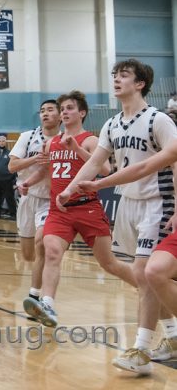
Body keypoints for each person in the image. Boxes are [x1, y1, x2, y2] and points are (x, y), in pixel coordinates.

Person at [57, 60, 177, 374]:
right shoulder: (111, 125)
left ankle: (141, 349)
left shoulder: (158, 120)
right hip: (128, 204)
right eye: (114, 75)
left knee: (144, 271)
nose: (116, 80)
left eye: (123, 75)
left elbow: (174, 161)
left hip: (158, 202)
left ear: (140, 84)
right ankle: (174, 337)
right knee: (143, 276)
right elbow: (96, 161)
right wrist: (70, 190)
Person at [22, 91, 135, 330]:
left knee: (109, 264)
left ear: (81, 113)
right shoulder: (50, 142)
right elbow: (46, 171)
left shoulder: (90, 140)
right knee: (51, 251)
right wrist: (27, 183)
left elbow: (103, 169)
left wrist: (75, 148)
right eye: (62, 108)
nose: (64, 112)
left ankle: (147, 285)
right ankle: (48, 304)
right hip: (59, 209)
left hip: (87, 209)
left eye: (69, 108)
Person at [8, 99, 61, 314]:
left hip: (49, 200)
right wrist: (34, 160)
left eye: (50, 110)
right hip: (27, 197)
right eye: (42, 111)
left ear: (59, 115)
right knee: (29, 254)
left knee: (43, 244)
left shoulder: (64, 140)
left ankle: (35, 296)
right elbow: (12, 166)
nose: (45, 114)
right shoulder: (27, 137)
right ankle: (38, 286)